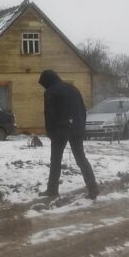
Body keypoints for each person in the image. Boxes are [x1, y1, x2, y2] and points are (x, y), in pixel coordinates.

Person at [38, 69, 99, 199]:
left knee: (55, 160)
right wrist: (81, 127)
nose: (44, 87)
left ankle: (52, 191)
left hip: (59, 131)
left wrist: (50, 132)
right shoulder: (73, 89)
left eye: (43, 84)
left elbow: (50, 114)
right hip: (76, 128)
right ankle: (93, 187)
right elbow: (82, 110)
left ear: (47, 81)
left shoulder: (50, 92)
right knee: (81, 158)